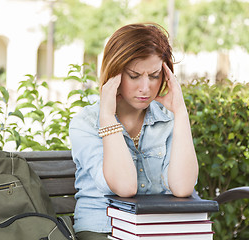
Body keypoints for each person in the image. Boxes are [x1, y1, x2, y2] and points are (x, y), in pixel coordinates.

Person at [69, 23, 199, 240]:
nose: (145, 87)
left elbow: (183, 187)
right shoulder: (85, 123)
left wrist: (181, 113)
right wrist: (108, 117)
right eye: (134, 75)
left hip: (156, 229)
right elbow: (125, 187)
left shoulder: (167, 118)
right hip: (103, 229)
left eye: (155, 75)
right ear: (114, 73)